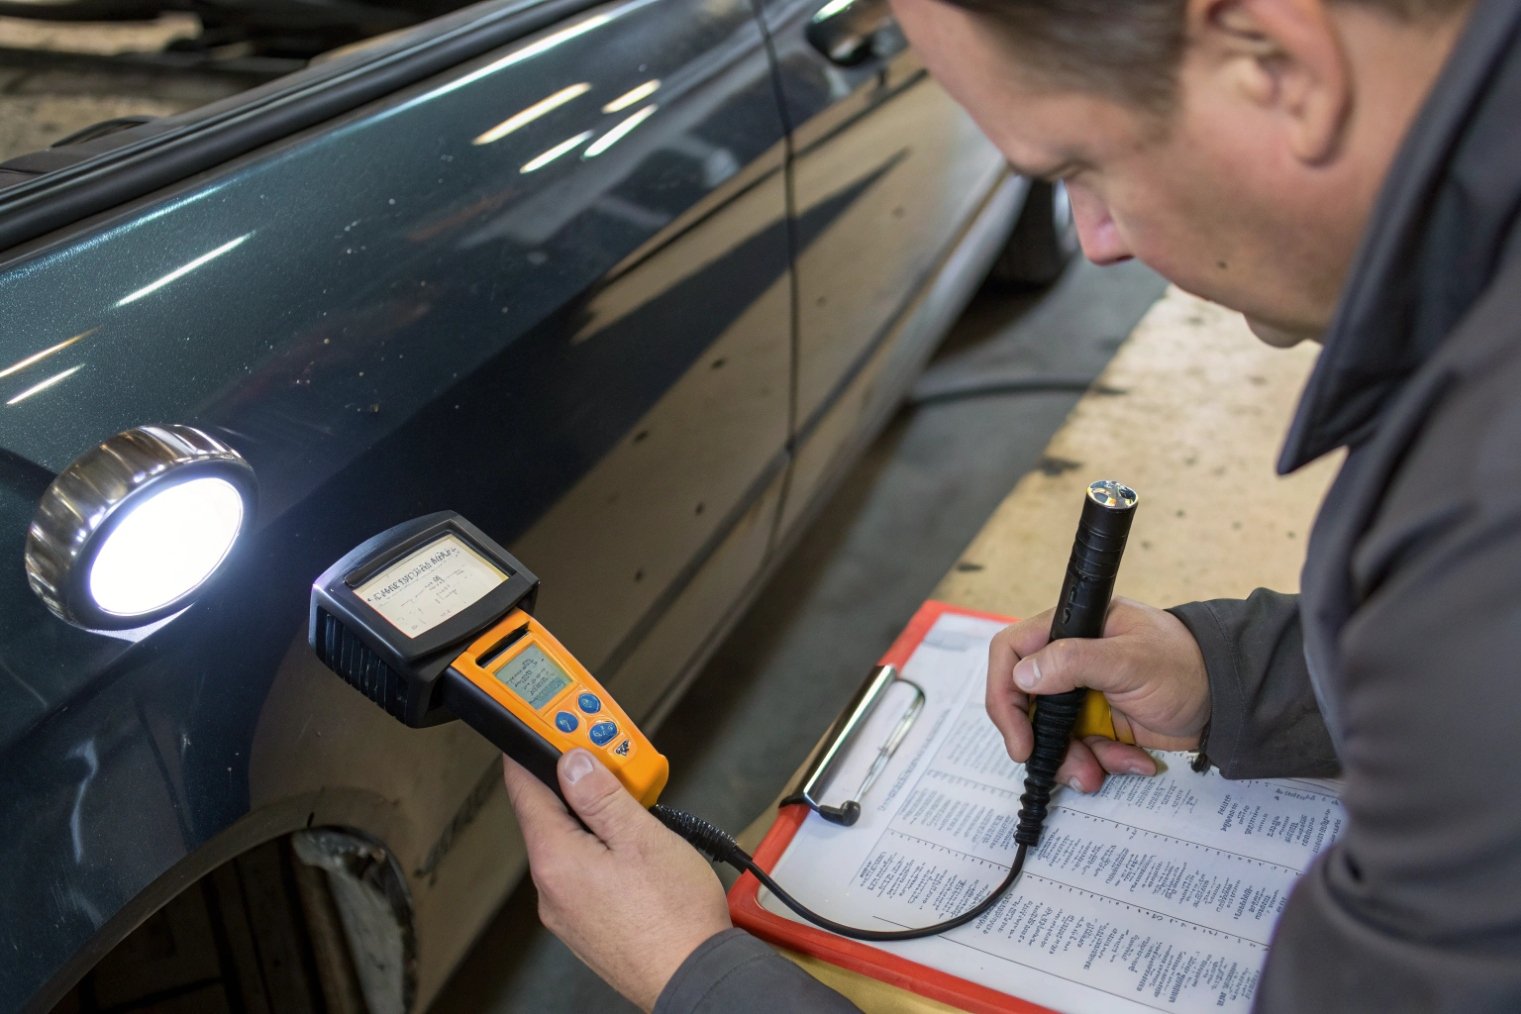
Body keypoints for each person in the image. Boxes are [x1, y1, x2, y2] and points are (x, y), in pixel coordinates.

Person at [502, 0, 1521, 1008]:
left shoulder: (1477, 519)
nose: (1101, 240)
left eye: (1082, 166)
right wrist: (1232, 675)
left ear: (1278, 64)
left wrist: (692, 973)